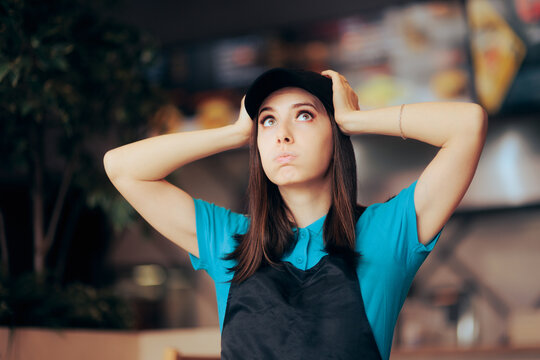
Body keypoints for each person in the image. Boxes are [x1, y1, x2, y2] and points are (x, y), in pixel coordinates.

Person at [103, 68, 487, 359]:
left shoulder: (385, 236)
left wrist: (356, 120)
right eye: (268, 120)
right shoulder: (232, 241)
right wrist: (235, 133)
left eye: (304, 115)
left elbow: (467, 126)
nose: (281, 134)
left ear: (333, 133)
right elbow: (122, 168)